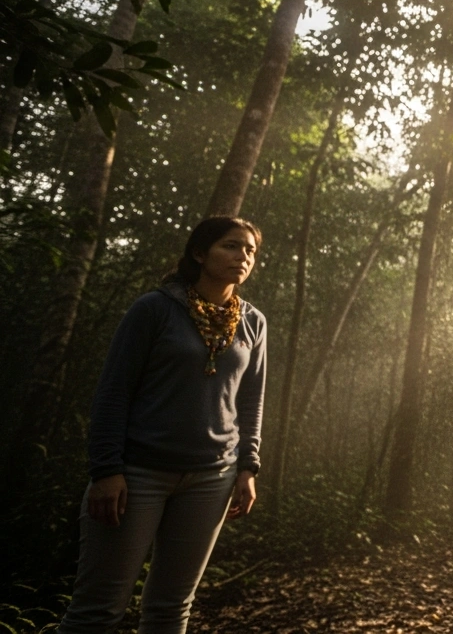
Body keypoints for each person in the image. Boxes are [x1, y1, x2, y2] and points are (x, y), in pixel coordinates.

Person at [58, 217, 266, 634]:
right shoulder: (154, 308)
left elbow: (251, 401)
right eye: (231, 246)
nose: (243, 256)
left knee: (172, 609)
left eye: (250, 251)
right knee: (97, 611)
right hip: (137, 474)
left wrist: (248, 466)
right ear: (199, 253)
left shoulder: (252, 322)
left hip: (212, 478)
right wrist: (106, 471)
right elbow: (113, 391)